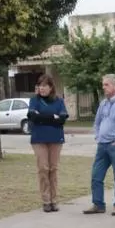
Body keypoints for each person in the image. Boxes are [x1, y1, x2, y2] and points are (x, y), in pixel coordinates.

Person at [84, 74, 115, 216]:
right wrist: (98, 135)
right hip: (102, 145)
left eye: (106, 84)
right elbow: (97, 121)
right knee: (96, 175)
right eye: (103, 84)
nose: (103, 87)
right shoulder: (103, 103)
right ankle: (98, 204)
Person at [27, 74, 69, 213]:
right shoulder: (34, 101)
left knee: (53, 168)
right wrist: (52, 117)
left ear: (51, 87)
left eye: (45, 85)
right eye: (40, 85)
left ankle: (54, 200)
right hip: (39, 138)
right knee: (43, 168)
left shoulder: (59, 101)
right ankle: (46, 200)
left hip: (56, 138)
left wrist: (44, 117)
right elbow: (33, 116)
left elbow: (62, 119)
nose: (42, 88)